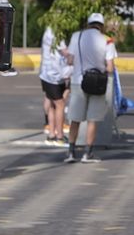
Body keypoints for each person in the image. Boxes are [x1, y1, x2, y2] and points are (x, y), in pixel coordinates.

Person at [63, 12, 117, 164]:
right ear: (101, 26)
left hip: (78, 82)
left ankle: (71, 152)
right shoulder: (108, 40)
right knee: (93, 119)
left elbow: (70, 60)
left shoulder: (76, 36)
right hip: (97, 83)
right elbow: (110, 68)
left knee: (75, 118)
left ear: (88, 24)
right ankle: (88, 153)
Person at [38, 24, 70, 146]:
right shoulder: (56, 33)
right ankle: (60, 136)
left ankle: (52, 134)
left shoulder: (49, 29)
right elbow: (65, 52)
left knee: (51, 103)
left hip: (47, 73)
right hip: (53, 74)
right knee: (60, 104)